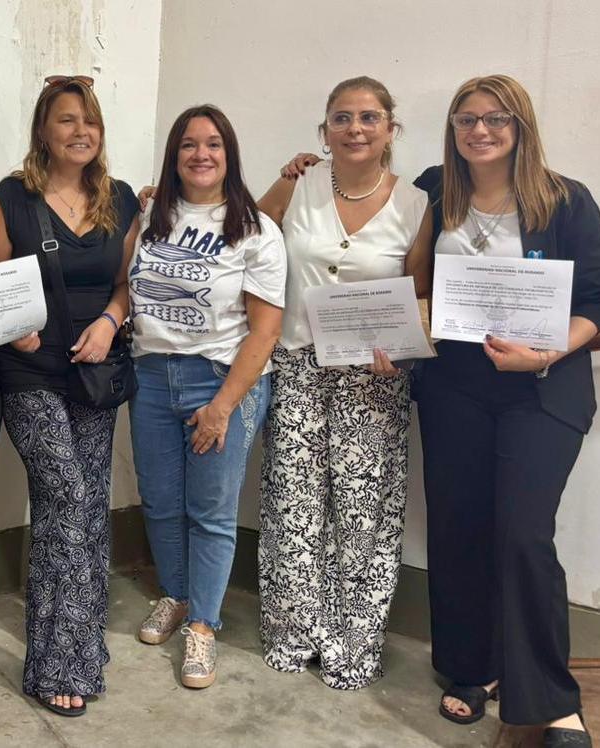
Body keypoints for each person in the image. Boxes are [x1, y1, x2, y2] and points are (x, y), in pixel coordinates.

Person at [412, 75, 597, 746]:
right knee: (458, 526)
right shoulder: (436, 190)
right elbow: (384, 229)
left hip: (541, 387)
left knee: (522, 533)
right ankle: (472, 667)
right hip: (455, 385)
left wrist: (545, 352)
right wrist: (303, 171)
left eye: (496, 119)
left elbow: (596, 303)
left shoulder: (565, 200)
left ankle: (552, 700)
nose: (480, 131)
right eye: (467, 119)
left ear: (520, 126)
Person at [256, 76, 431, 690]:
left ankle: (352, 645)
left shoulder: (416, 205)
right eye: (342, 118)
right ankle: (291, 632)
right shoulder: (297, 183)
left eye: (369, 117)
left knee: (362, 514)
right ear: (324, 129)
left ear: (390, 128)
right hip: (297, 365)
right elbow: (240, 240)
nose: (355, 128)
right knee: (293, 504)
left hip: (373, 381)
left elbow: (419, 298)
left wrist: (400, 350)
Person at [0, 75, 139, 717]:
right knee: (68, 497)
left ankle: (77, 643)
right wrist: (10, 326)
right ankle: (59, 663)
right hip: (29, 373)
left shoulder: (119, 198)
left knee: (86, 505)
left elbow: (126, 284)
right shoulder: (11, 198)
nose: (80, 131)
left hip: (95, 371)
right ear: (43, 131)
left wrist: (109, 322)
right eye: (67, 120)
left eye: (89, 121)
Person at [129, 105, 285, 689]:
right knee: (160, 501)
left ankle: (203, 624)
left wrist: (223, 406)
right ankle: (174, 595)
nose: (201, 154)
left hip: (220, 380)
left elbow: (265, 331)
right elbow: (127, 284)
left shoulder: (255, 229)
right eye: (189, 144)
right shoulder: (151, 214)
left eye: (213, 144)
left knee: (212, 512)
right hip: (150, 376)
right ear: (174, 155)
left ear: (229, 154)